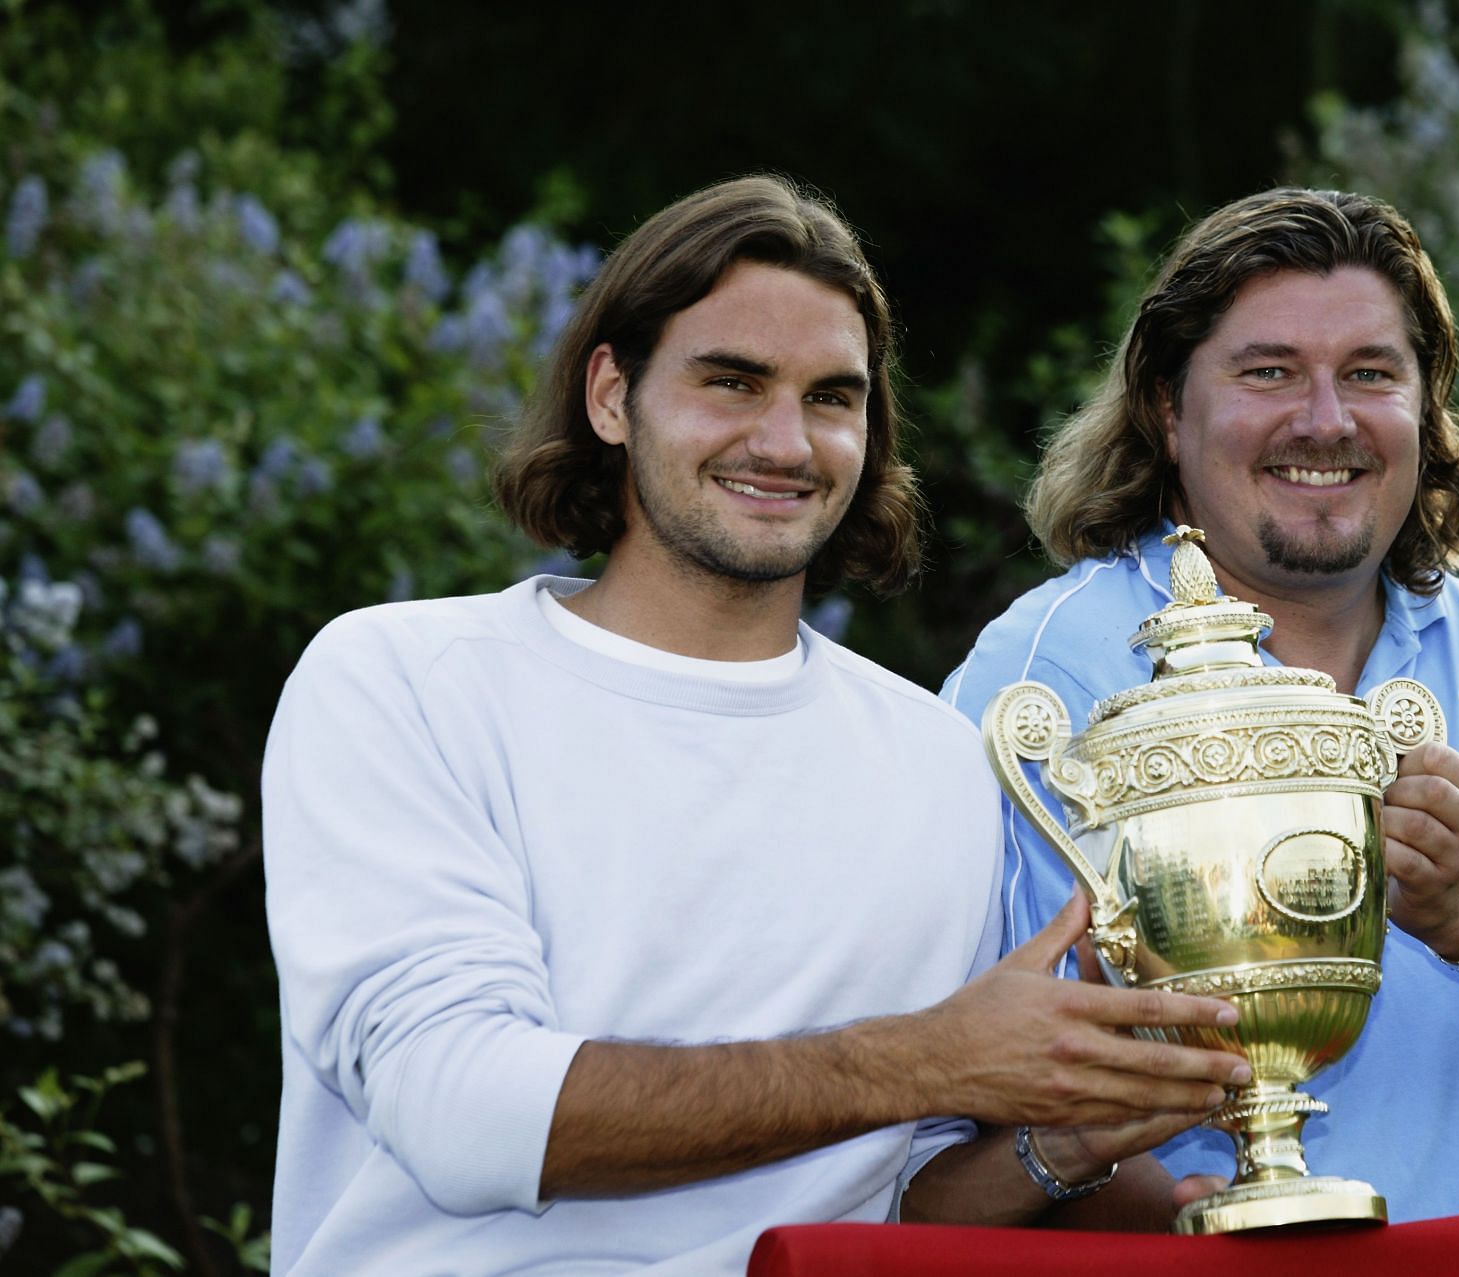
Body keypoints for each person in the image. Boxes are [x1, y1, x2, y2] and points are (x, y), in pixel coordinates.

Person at [261, 175, 1251, 1276]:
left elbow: (883, 1215)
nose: (785, 441)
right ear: (609, 394)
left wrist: (1063, 1136)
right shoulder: (404, 680)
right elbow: (463, 1115)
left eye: (832, 397)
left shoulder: (932, 763)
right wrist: (928, 1059)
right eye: (731, 382)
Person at [943, 187, 1459, 1227]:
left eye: (1370, 374)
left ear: (1424, 409)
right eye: (1268, 371)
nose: (1325, 421)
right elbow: (958, 1090)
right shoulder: (1040, 671)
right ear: (1167, 408)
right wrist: (1172, 1206)